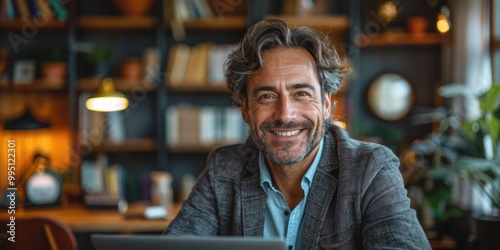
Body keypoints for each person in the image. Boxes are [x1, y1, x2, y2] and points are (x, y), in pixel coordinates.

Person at [164, 19, 431, 250]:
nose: (285, 115)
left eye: (301, 94)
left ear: (326, 104)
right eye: (266, 96)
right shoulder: (224, 168)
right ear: (245, 109)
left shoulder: (370, 170)